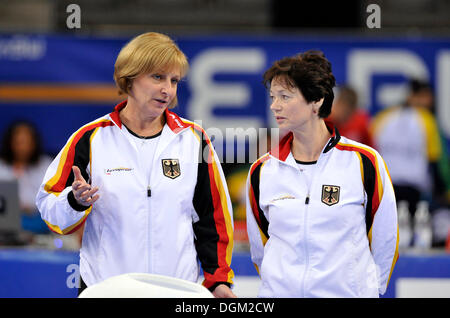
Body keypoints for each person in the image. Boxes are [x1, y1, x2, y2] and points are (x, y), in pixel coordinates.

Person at [36, 32, 236, 298]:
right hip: (107, 291)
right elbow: (49, 209)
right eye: (157, 77)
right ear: (129, 79)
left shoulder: (194, 140)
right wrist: (75, 202)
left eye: (174, 80)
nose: (167, 89)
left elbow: (214, 220)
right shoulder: (90, 139)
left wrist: (217, 281)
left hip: (176, 292)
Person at [246, 51, 399, 297]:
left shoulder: (364, 162)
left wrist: (369, 290)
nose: (275, 105)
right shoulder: (262, 170)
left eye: (285, 96)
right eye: (273, 96)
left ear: (316, 100)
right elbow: (260, 249)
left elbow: (386, 240)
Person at [370, 79, 443, 244]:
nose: (429, 101)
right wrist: (441, 191)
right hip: (414, 186)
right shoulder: (426, 120)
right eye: (426, 96)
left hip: (387, 185)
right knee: (416, 233)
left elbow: (370, 153)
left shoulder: (382, 118)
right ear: (413, 95)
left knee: (389, 236)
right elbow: (433, 158)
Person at [0, 121, 53, 235]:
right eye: (18, 142)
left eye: (26, 142)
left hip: (39, 220)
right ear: (10, 143)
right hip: (7, 222)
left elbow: (52, 199)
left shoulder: (46, 165)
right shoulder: (2, 166)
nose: (22, 147)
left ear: (34, 143)